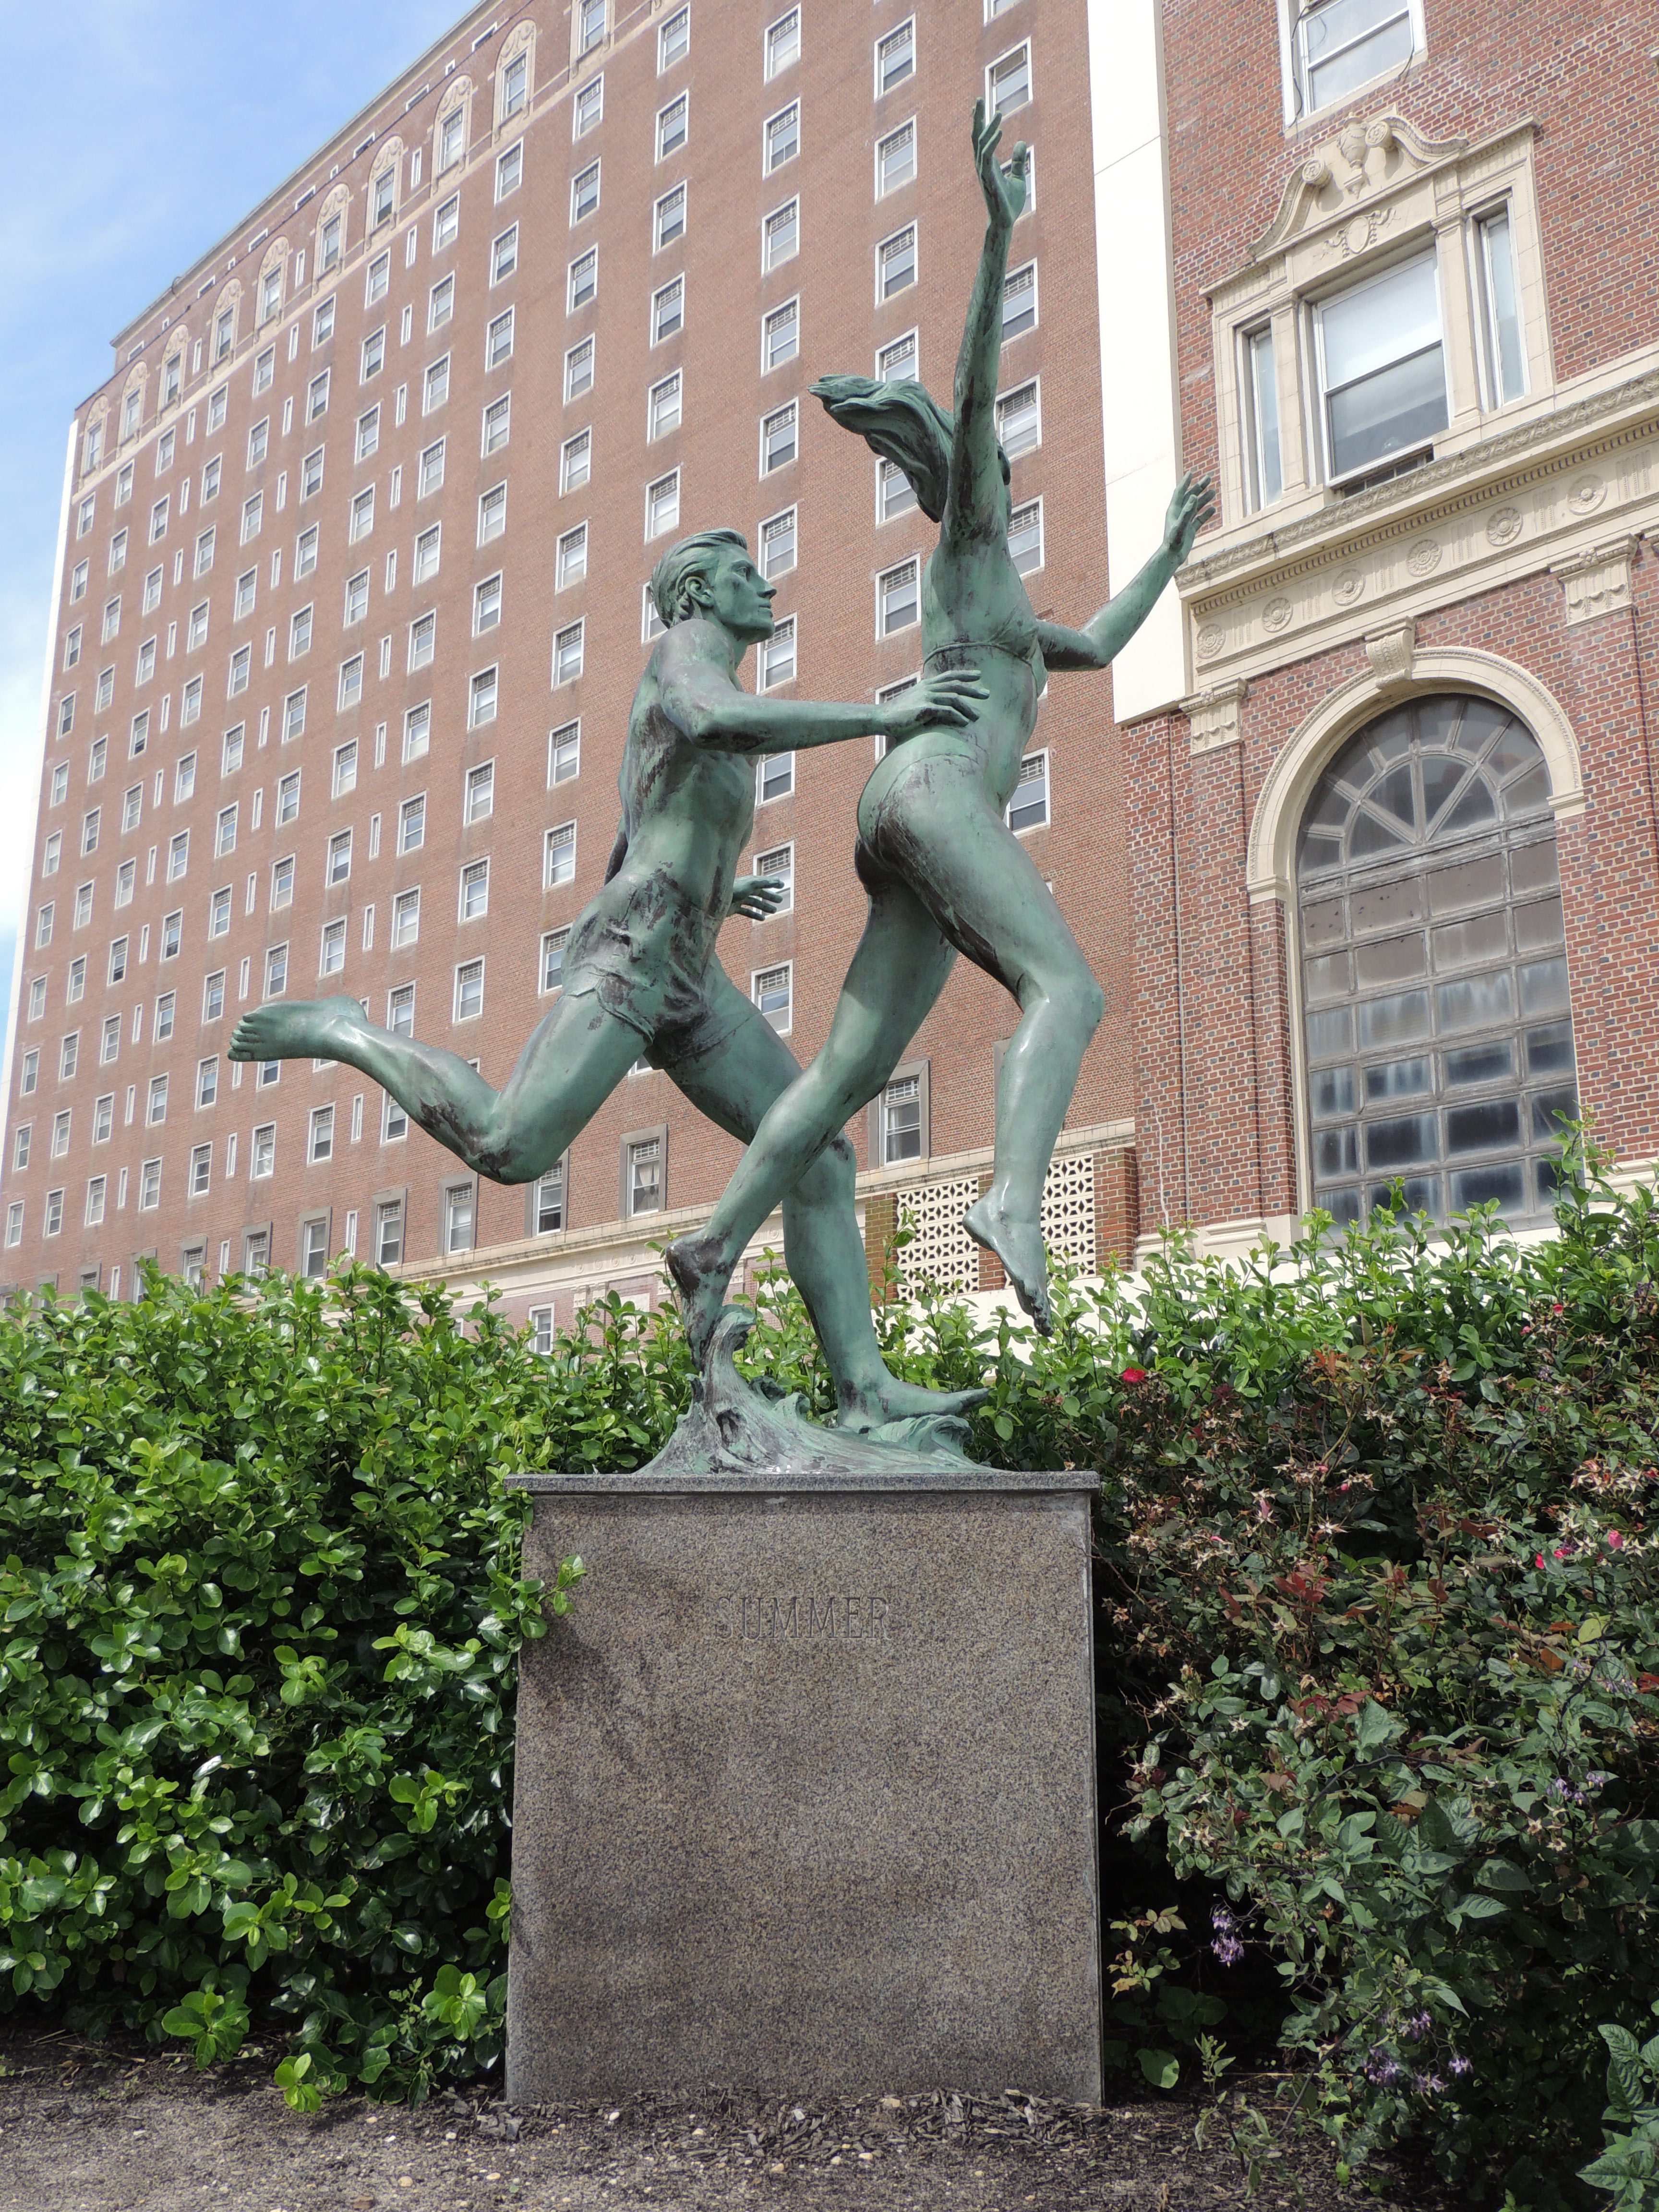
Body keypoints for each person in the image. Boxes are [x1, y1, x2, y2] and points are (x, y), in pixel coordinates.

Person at [228, 527, 986, 1431]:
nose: (768, 586)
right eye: (745, 574)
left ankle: (864, 1390)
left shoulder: (703, 687)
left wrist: (717, 891)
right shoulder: (683, 657)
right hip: (634, 951)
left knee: (818, 1155)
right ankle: (346, 1029)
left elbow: (637, 828)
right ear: (698, 595)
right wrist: (885, 716)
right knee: (509, 1147)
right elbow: (715, 725)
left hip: (688, 964)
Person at [668, 103, 1214, 1353]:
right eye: (993, 466)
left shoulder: (1008, 613)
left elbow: (1102, 643)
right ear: (974, 483)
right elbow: (974, 393)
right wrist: (998, 231)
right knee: (1066, 988)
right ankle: (1013, 1202)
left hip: (905, 813)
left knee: (847, 1074)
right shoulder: (968, 549)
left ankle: (713, 1241)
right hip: (936, 789)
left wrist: (1168, 556)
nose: (1005, 472)